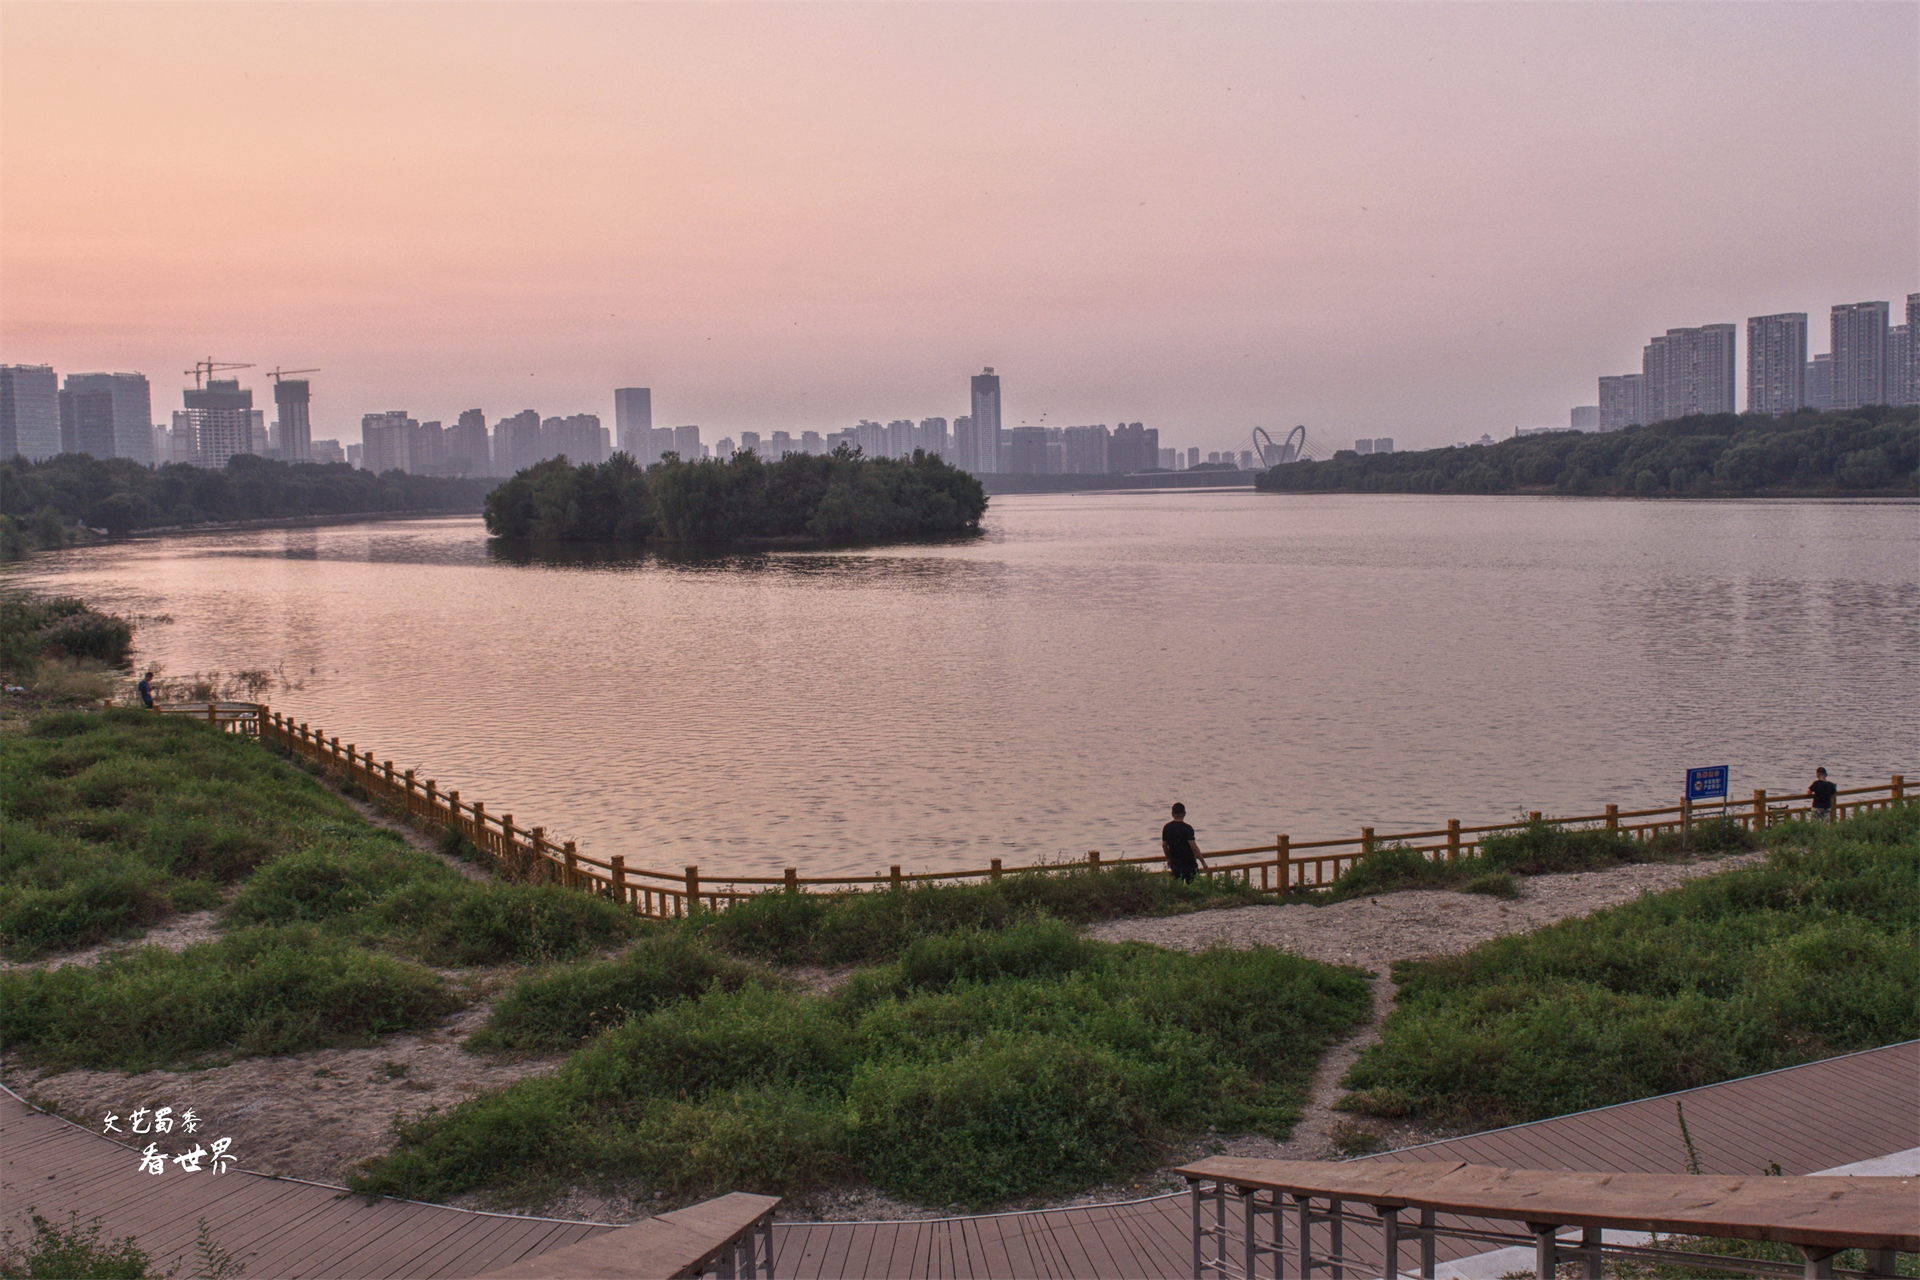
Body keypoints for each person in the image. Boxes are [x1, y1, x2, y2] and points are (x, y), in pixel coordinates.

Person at [1161, 802, 1208, 883]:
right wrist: (1203, 862)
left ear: (1172, 814)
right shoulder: (1187, 829)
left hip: (1175, 863)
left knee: (1177, 888)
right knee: (1194, 887)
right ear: (1184, 813)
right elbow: (1194, 848)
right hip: (1189, 864)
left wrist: (1168, 858)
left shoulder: (1167, 828)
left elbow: (1164, 845)